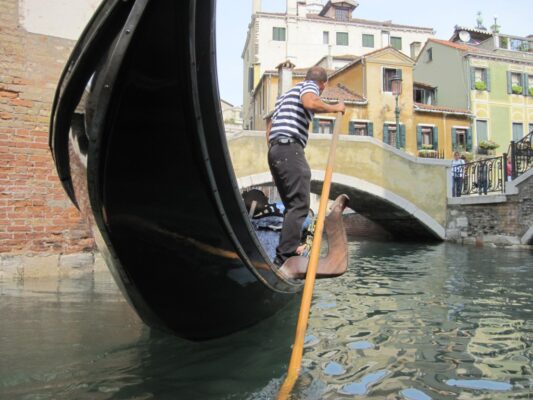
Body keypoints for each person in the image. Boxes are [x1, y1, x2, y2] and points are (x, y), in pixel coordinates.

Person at [266, 66, 345, 267]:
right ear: (323, 84)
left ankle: (285, 252)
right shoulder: (310, 87)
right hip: (290, 149)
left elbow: (270, 127)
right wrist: (334, 108)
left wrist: (276, 157)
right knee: (300, 205)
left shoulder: (285, 96)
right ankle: (284, 258)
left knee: (293, 206)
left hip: (275, 151)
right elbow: (310, 102)